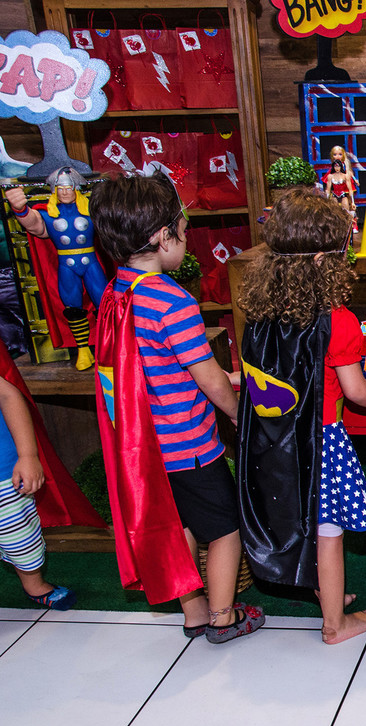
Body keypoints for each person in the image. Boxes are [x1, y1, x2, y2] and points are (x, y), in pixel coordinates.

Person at [90, 172, 263, 643]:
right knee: (225, 530)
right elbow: (205, 375)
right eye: (184, 232)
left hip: (146, 445)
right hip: (190, 446)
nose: (186, 242)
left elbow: (148, 368)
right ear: (162, 237)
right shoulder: (171, 299)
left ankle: (194, 610)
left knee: (178, 524)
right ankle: (224, 617)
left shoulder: (115, 294)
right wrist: (233, 410)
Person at [237, 188, 366, 645]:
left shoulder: (260, 310)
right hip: (319, 442)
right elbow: (358, 393)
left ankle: (330, 594)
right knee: (329, 533)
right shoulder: (338, 319)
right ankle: (334, 624)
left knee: (297, 519)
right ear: (327, 257)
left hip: (271, 441)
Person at [4, 168, 107, 370]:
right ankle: (83, 349)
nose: (65, 192)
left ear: (76, 188)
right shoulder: (48, 213)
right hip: (66, 266)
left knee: (103, 304)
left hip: (91, 263)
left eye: (68, 187)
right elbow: (35, 226)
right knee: (73, 308)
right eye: (60, 188)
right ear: (54, 190)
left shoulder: (91, 210)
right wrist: (19, 208)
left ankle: (107, 345)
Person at [0, 367, 75, 611]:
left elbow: (9, 396)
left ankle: (34, 584)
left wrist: (28, 455)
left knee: (20, 538)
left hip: (3, 474)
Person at [323, 146, 357, 218]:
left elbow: (350, 176)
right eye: (335, 154)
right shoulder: (330, 175)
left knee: (347, 207)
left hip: (344, 192)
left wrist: (354, 179)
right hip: (335, 193)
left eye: (340, 154)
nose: (337, 156)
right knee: (334, 211)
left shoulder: (346, 169)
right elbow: (328, 189)